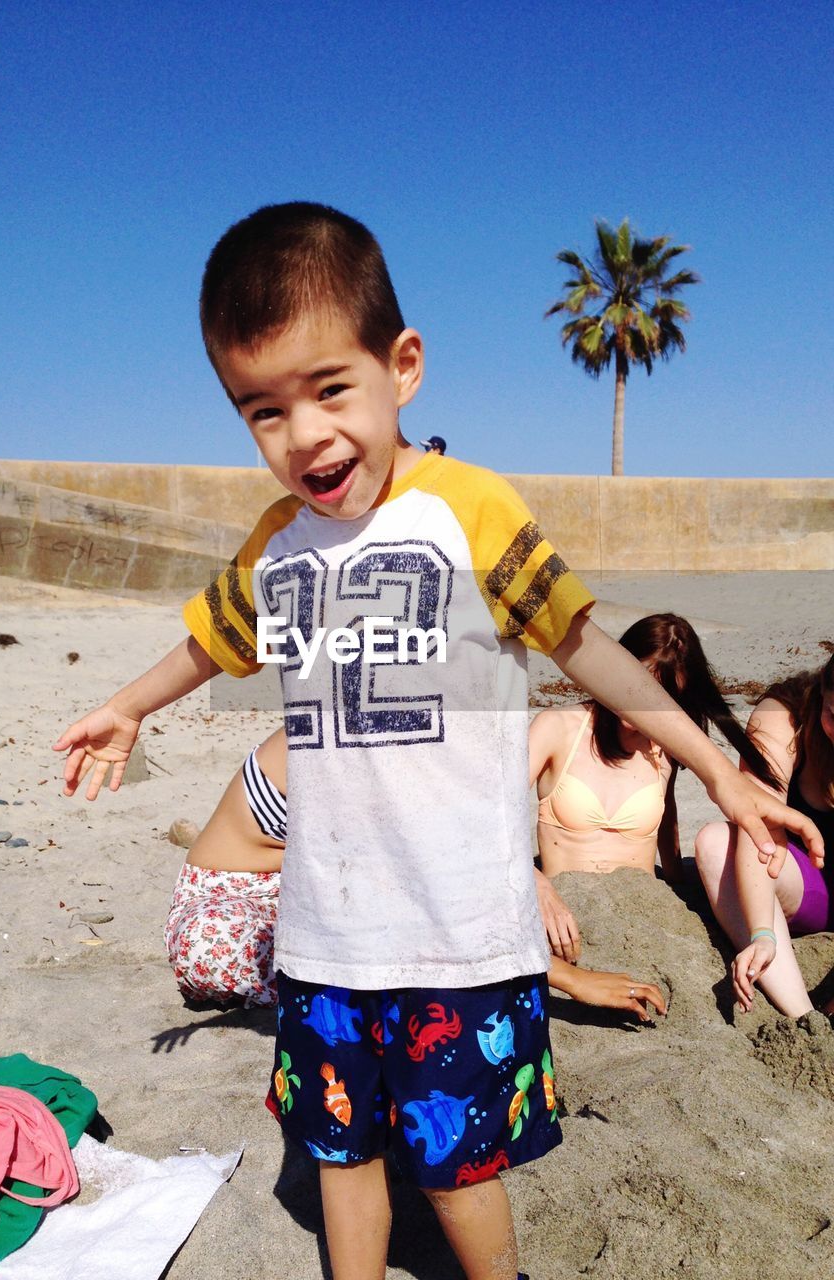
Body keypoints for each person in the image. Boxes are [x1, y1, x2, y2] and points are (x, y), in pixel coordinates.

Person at [55, 202, 820, 1280]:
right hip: (324, 938)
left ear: (400, 367)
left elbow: (593, 652)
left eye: (329, 389)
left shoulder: (471, 511)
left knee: (459, 1169)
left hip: (461, 938)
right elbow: (207, 642)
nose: (304, 434)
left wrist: (719, 771)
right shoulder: (278, 546)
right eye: (262, 409)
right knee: (342, 1153)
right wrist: (132, 703)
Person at [166, 728, 667, 1022]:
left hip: (312, 891)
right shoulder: (326, 735)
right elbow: (412, 868)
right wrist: (568, 978)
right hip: (225, 907)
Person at [531, 613, 777, 963]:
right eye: (641, 684)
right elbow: (491, 813)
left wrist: (677, 879)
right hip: (564, 913)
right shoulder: (557, 727)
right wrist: (534, 883)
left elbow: (666, 809)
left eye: (664, 693)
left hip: (644, 921)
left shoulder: (665, 750)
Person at [694, 654, 834, 1018]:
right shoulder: (783, 716)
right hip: (809, 885)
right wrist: (762, 934)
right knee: (716, 843)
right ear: (822, 694)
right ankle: (804, 1019)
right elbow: (759, 830)